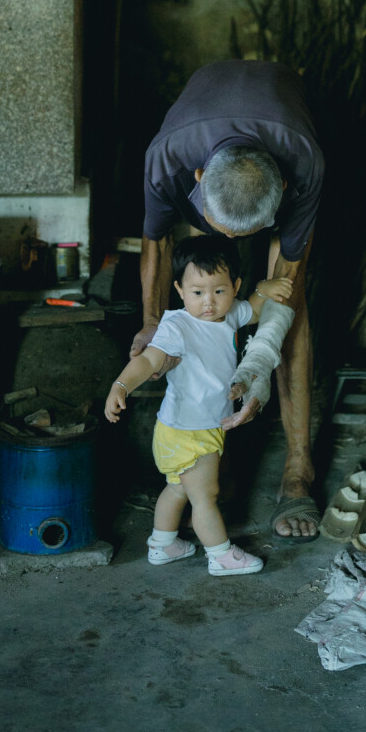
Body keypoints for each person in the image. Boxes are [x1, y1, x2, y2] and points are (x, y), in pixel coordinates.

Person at [133, 60, 324, 540]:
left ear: (281, 191)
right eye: (223, 232)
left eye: (249, 236)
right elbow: (156, 242)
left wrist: (257, 370)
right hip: (206, 144)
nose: (235, 243)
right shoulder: (168, 158)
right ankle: (212, 449)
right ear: (197, 178)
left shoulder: (303, 163)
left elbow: (284, 284)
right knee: (205, 306)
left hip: (279, 137)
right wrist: (153, 321)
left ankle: (298, 468)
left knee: (292, 314)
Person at [105, 236, 294, 575]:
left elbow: (253, 307)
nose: (208, 302)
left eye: (218, 291)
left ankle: (162, 545)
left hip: (192, 428)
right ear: (179, 289)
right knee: (205, 495)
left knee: (178, 489)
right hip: (187, 432)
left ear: (234, 286)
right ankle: (220, 554)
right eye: (197, 293)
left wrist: (265, 288)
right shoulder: (177, 325)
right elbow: (149, 362)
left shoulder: (228, 315)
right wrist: (121, 385)